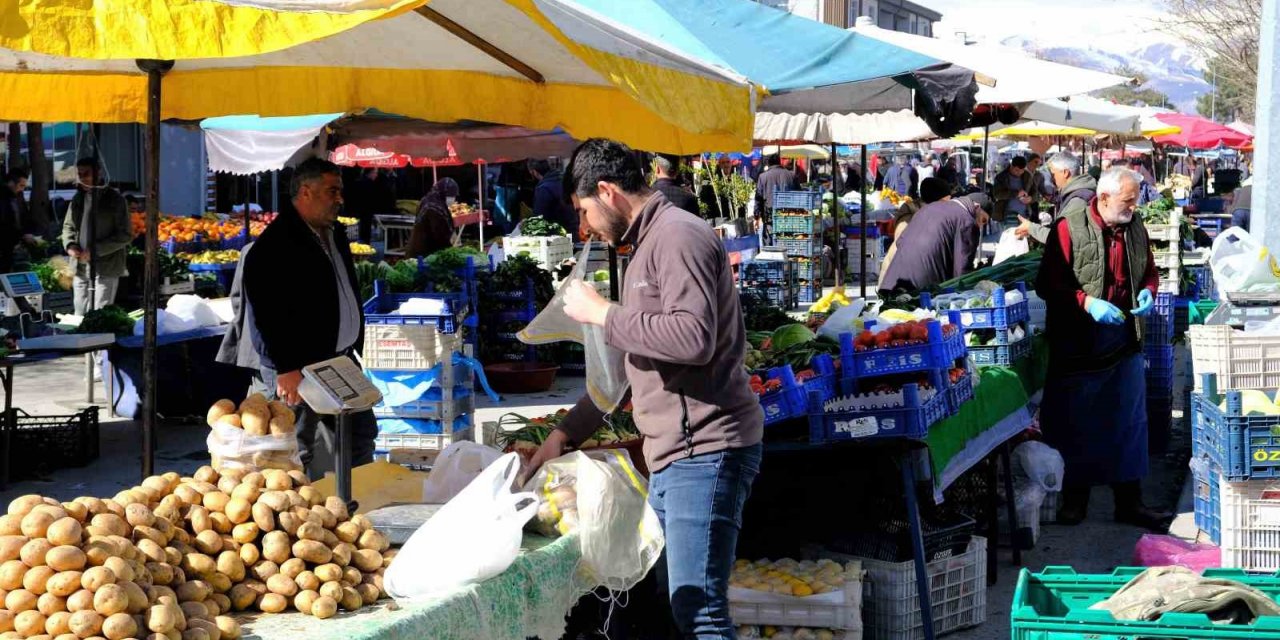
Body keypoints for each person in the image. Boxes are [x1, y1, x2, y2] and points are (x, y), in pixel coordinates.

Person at [519, 138, 762, 638]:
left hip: (708, 450)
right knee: (674, 602)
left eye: (584, 211)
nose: (583, 228)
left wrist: (603, 313)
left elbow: (693, 338)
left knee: (700, 611)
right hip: (674, 454)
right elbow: (624, 373)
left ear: (607, 192)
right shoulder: (645, 246)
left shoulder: (678, 237)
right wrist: (564, 436)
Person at [1035, 167, 1169, 531]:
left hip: (1123, 340)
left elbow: (1150, 271)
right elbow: (1048, 283)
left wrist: (1149, 291)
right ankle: (1075, 502)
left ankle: (1130, 503)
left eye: (1135, 200)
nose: (1133, 207)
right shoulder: (1068, 226)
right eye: (1128, 200)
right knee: (1076, 425)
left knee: (1129, 424)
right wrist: (1085, 303)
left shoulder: (1134, 225)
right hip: (1078, 344)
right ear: (1105, 198)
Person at [243, 158, 377, 476]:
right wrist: (286, 367)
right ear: (306, 191)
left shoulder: (333, 233)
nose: (339, 199)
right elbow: (265, 312)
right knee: (295, 448)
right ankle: (302, 517)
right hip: (299, 367)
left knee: (360, 434)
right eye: (332, 191)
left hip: (339, 359)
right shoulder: (276, 244)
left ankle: (357, 504)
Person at [877, 191, 989, 294]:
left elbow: (900, 241)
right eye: (983, 220)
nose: (981, 226)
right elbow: (962, 272)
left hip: (891, 283)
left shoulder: (929, 208)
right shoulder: (967, 221)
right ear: (976, 206)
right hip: (921, 292)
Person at [61, 158, 130, 315]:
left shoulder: (115, 199)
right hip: (79, 265)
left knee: (100, 313)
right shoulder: (77, 198)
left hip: (106, 266)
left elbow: (125, 235)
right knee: (79, 312)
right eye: (80, 174)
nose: (83, 178)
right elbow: (68, 226)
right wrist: (70, 245)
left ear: (98, 173)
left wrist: (95, 250)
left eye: (87, 174)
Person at [877, 177, 953, 290]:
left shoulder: (928, 211)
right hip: (898, 277)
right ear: (939, 199)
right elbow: (901, 240)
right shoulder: (910, 211)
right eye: (947, 200)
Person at [1016, 152, 1096, 245]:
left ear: (1065, 173)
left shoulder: (1077, 201)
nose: (1052, 179)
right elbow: (1064, 229)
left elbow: (1061, 238)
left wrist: (1031, 228)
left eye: (1053, 174)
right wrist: (1033, 230)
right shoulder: (1078, 194)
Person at [406, 178, 459, 258]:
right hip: (424, 254)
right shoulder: (435, 208)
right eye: (451, 195)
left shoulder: (428, 200)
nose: (453, 199)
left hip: (419, 250)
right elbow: (439, 234)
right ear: (444, 193)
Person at [530, 158, 578, 238]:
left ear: (534, 172)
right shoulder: (565, 181)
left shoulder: (544, 189)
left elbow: (540, 218)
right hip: (574, 232)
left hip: (557, 238)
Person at [755, 154, 799, 231]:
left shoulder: (762, 177)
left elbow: (758, 199)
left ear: (768, 164)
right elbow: (799, 195)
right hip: (789, 218)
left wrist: (756, 216)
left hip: (770, 218)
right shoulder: (792, 175)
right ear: (780, 162)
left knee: (770, 242)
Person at [0, 168, 29, 272]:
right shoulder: (4, 198)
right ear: (11, 182)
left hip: (9, 247)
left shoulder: (15, 197)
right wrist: (22, 235)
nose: (22, 189)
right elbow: (6, 223)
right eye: (21, 185)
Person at [992, 156, 1034, 227]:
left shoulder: (1028, 176)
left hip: (1024, 215)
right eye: (1017, 170)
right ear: (1011, 166)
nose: (1019, 173)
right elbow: (997, 194)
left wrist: (1031, 198)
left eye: (1022, 170)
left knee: (1023, 237)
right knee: (1009, 237)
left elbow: (1035, 192)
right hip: (1006, 215)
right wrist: (1016, 193)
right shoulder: (1001, 177)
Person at [700, 155, 742, 220]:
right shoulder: (712, 180)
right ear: (719, 165)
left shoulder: (737, 179)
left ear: (731, 164)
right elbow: (705, 198)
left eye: (728, 162)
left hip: (735, 216)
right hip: (718, 217)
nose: (726, 165)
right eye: (723, 163)